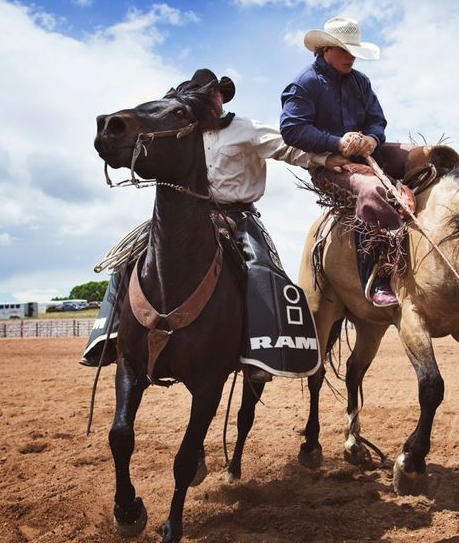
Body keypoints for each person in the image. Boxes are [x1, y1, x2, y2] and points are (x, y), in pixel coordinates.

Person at [82, 69, 347, 384]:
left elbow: (287, 147)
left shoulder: (245, 129)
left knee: (262, 269)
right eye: (204, 95)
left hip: (238, 216)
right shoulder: (183, 130)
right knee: (128, 256)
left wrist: (325, 158)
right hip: (185, 214)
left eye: (216, 93)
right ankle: (109, 336)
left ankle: (260, 350)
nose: (212, 100)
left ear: (221, 98)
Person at [280, 16, 399, 307]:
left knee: (426, 156)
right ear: (325, 50)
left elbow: (376, 119)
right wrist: (336, 143)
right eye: (345, 50)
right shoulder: (304, 83)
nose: (351, 58)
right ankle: (376, 278)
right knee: (372, 190)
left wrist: (372, 139)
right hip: (328, 166)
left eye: (353, 51)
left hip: (369, 153)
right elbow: (291, 129)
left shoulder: (361, 82)